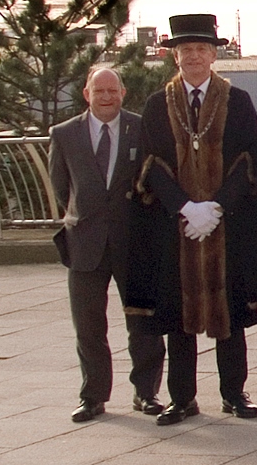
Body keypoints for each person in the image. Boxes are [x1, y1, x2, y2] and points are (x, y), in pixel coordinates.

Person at [126, 13, 257, 426]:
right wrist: (187, 208)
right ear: (175, 57)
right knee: (179, 319)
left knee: (228, 316)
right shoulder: (157, 103)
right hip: (178, 226)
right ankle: (182, 397)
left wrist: (216, 206)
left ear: (213, 55)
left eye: (201, 49)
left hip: (226, 223)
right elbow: (150, 164)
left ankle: (233, 393)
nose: (193, 57)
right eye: (185, 50)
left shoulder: (236, 100)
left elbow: (248, 161)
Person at [49, 68, 163, 422]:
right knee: (88, 326)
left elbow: (153, 178)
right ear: (87, 93)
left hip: (133, 243)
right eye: (99, 90)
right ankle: (93, 396)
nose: (106, 96)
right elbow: (60, 187)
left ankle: (146, 393)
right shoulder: (64, 134)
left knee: (143, 323)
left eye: (112, 90)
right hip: (85, 243)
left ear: (123, 93)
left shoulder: (140, 127)